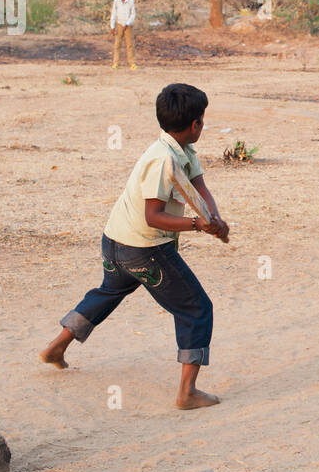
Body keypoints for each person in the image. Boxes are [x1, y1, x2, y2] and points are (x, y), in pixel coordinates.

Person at [40, 83, 230, 410]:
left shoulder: (177, 149)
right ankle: (187, 393)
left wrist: (214, 216)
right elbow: (153, 217)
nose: (203, 125)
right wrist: (199, 225)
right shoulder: (163, 161)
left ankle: (56, 347)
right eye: (202, 120)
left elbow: (199, 187)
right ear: (196, 124)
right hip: (144, 249)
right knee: (197, 308)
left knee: (109, 291)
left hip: (116, 241)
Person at [110, 0, 137, 70]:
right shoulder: (116, 1)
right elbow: (114, 13)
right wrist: (112, 26)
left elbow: (133, 14)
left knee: (129, 45)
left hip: (128, 26)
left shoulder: (131, 1)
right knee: (117, 45)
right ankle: (116, 63)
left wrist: (128, 23)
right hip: (119, 24)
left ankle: (132, 63)